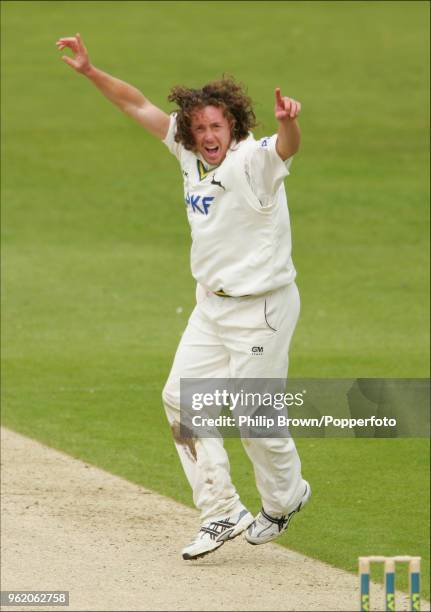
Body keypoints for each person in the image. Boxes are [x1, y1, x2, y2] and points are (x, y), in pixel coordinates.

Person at [56, 33, 311, 560]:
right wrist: (89, 71)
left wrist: (288, 121)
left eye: (217, 125)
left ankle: (285, 499)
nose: (208, 135)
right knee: (179, 397)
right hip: (211, 307)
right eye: (199, 127)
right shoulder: (186, 149)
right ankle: (221, 511)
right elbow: (136, 103)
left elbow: (288, 147)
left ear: (234, 125)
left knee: (253, 415)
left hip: (262, 308)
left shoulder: (254, 160)